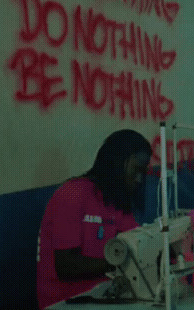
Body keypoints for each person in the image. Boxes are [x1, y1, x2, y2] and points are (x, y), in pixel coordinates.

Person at [36, 129, 152, 309]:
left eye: (143, 173)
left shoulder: (117, 201)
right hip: (65, 302)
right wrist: (120, 261)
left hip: (101, 297)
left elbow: (135, 244)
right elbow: (66, 267)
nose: (139, 179)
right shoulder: (72, 194)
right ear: (117, 162)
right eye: (136, 170)